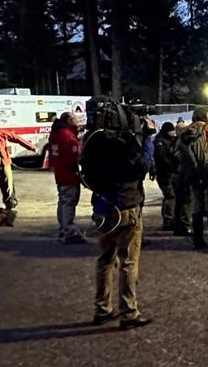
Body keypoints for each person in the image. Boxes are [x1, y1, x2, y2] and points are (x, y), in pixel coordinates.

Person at [80, 106, 151, 330]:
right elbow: (143, 166)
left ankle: (102, 309)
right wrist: (147, 138)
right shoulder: (123, 143)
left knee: (105, 259)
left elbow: (85, 174)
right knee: (128, 261)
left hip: (102, 208)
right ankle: (129, 313)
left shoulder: (91, 142)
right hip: (126, 207)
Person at [176, 108, 208, 250]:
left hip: (193, 173)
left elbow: (178, 153)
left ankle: (198, 240)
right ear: (205, 116)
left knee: (197, 206)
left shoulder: (186, 131)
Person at [47, 112, 85, 243]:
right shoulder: (68, 136)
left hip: (60, 173)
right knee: (68, 202)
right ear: (69, 120)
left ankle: (63, 229)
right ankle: (69, 231)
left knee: (63, 201)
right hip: (69, 175)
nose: (77, 120)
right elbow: (73, 158)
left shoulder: (56, 134)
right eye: (74, 118)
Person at [153, 122, 182, 232]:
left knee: (169, 197)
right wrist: (173, 167)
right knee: (170, 197)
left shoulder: (168, 140)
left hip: (168, 173)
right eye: (171, 131)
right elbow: (162, 159)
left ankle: (169, 219)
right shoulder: (160, 142)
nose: (173, 132)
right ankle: (168, 221)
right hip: (164, 174)